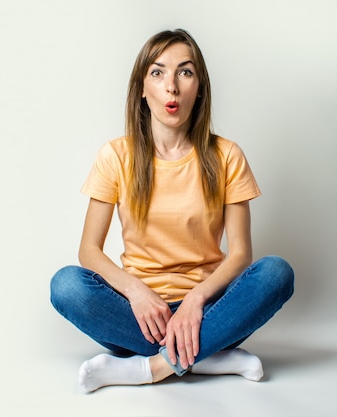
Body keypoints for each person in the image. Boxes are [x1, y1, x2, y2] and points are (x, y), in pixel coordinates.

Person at [49, 28, 294, 393]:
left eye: (185, 72)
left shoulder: (227, 156)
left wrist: (195, 302)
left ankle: (151, 367)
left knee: (276, 273)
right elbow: (89, 251)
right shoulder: (115, 155)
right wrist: (136, 292)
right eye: (158, 72)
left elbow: (241, 253)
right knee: (66, 285)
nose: (172, 87)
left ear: (199, 88)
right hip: (139, 314)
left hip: (209, 307)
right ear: (142, 89)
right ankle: (208, 356)